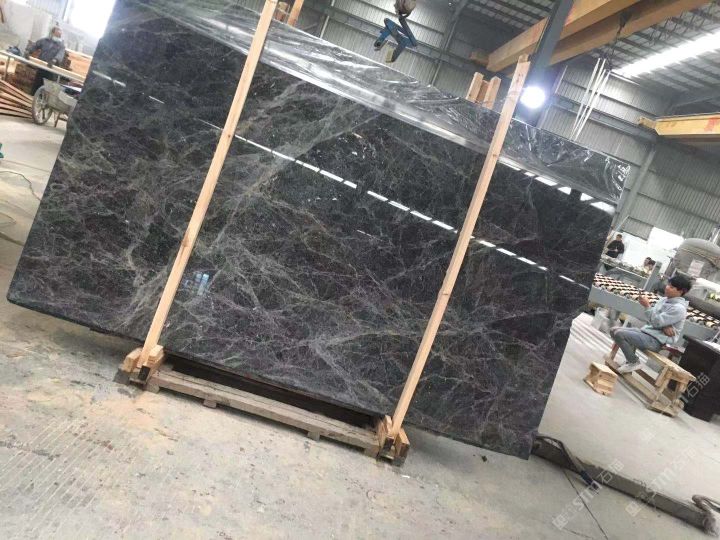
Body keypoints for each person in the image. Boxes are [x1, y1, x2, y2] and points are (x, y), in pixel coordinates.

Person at [605, 274, 692, 373]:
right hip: (646, 333)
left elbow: (656, 321)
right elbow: (653, 320)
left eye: (672, 287)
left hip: (655, 341)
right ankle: (630, 360)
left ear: (681, 291)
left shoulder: (679, 308)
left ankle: (633, 362)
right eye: (668, 284)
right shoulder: (664, 300)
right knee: (613, 330)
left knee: (620, 334)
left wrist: (647, 306)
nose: (667, 287)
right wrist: (662, 325)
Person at [25, 26, 66, 95]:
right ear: (52, 33)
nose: (58, 37)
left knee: (46, 89)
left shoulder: (61, 45)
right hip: (42, 67)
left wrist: (55, 60)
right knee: (36, 85)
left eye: (59, 36)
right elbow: (35, 45)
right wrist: (28, 51)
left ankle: (42, 99)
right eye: (56, 35)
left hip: (51, 70)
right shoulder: (45, 40)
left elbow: (60, 54)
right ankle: (32, 97)